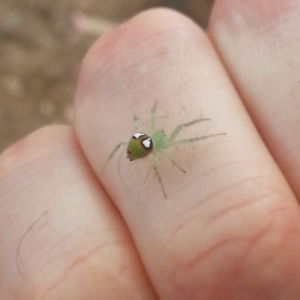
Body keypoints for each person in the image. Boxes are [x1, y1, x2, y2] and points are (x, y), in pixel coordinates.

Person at [1, 2, 300, 299]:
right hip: (143, 146)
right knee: (169, 143)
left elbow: (141, 133)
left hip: (142, 144)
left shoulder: (150, 135)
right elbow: (159, 148)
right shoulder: (158, 145)